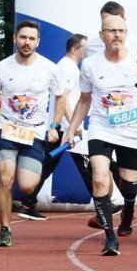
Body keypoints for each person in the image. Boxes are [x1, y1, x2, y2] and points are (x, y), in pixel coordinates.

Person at [63, 15, 137, 255]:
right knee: (99, 177)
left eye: (121, 31)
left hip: (132, 131)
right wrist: (71, 127)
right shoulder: (90, 65)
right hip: (101, 127)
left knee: (130, 188)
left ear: (126, 34)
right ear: (102, 35)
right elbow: (84, 100)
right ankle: (110, 238)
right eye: (112, 31)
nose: (117, 35)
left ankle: (128, 211)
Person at [0, 20, 66, 247]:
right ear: (15, 38)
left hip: (34, 133)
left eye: (31, 39)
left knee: (27, 186)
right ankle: (5, 229)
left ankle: (13, 190)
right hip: (6, 129)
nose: (27, 42)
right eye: (23, 37)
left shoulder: (49, 68)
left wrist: (54, 126)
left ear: (38, 42)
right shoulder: (1, 68)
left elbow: (61, 96)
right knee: (5, 179)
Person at [18, 33, 92, 220]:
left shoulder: (68, 67)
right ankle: (103, 203)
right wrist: (73, 125)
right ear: (75, 48)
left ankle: (28, 201)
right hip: (65, 127)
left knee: (51, 164)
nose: (88, 51)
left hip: (64, 126)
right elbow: (63, 97)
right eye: (85, 47)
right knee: (81, 164)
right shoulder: (67, 67)